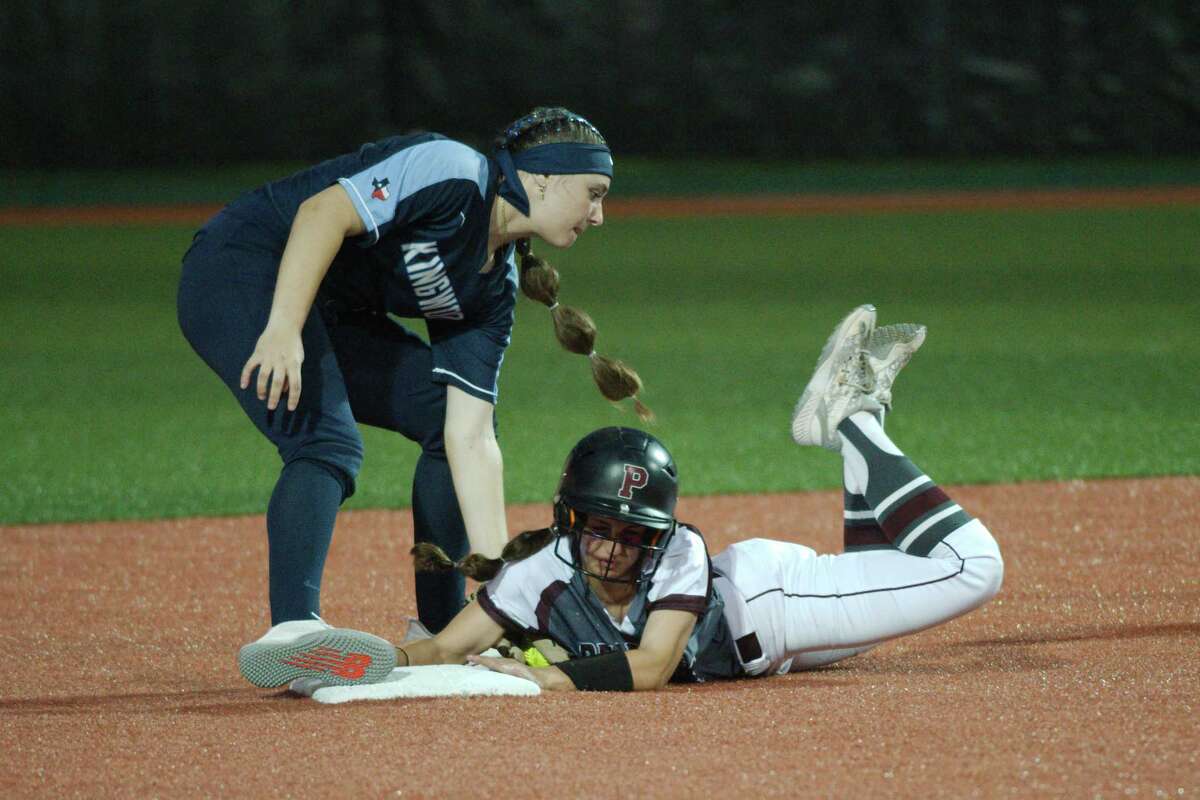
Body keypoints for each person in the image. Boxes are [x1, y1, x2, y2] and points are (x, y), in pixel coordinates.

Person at [177, 107, 650, 689]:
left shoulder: (492, 290)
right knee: (326, 441)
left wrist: (502, 598)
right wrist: (282, 328)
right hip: (242, 267)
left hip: (325, 310)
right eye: (594, 193)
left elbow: (471, 439)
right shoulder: (452, 171)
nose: (599, 215)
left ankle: (440, 629)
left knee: (442, 418)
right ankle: (293, 632)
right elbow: (321, 213)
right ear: (543, 177)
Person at [397, 305, 1004, 691]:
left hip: (776, 605)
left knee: (973, 568)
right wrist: (376, 660)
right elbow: (445, 647)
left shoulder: (680, 549)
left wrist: (547, 678)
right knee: (887, 571)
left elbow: (654, 664)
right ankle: (861, 410)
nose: (612, 549)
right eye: (600, 527)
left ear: (659, 534)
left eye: (634, 534)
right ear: (570, 520)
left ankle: (851, 421)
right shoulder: (536, 573)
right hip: (779, 647)